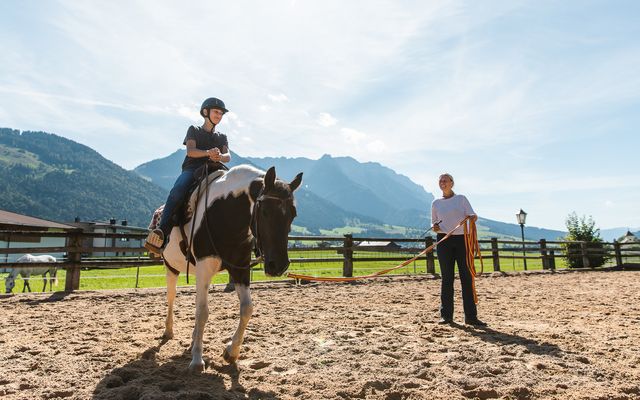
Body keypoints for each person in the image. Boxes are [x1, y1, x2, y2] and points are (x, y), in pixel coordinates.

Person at [145, 97, 231, 254]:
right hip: (193, 170)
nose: (219, 115)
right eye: (216, 112)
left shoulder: (222, 137)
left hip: (215, 170)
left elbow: (228, 156)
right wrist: (208, 153)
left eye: (221, 113)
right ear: (206, 112)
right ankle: (161, 233)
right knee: (178, 191)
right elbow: (190, 151)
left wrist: (220, 157)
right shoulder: (194, 130)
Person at [431, 173, 486, 326]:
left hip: (463, 240)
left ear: (452, 183)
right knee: (446, 278)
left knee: (466, 278)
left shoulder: (461, 199)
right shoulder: (435, 203)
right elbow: (435, 226)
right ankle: (446, 316)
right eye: (440, 181)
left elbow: (473, 216)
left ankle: (471, 317)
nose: (442, 183)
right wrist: (435, 227)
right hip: (444, 241)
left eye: (445, 180)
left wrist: (472, 218)